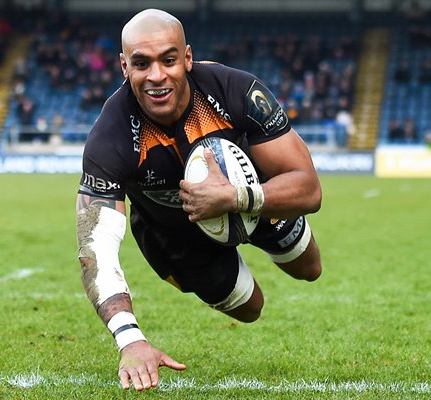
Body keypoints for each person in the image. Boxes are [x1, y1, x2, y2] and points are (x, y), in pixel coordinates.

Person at [75, 9, 322, 392]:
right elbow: (95, 250)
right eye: (142, 64)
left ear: (187, 58)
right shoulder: (110, 137)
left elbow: (309, 188)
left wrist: (237, 197)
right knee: (250, 309)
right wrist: (130, 339)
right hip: (174, 234)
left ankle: (260, 227)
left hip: (254, 198)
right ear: (124, 66)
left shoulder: (236, 91)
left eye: (168, 60)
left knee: (310, 268)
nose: (157, 76)